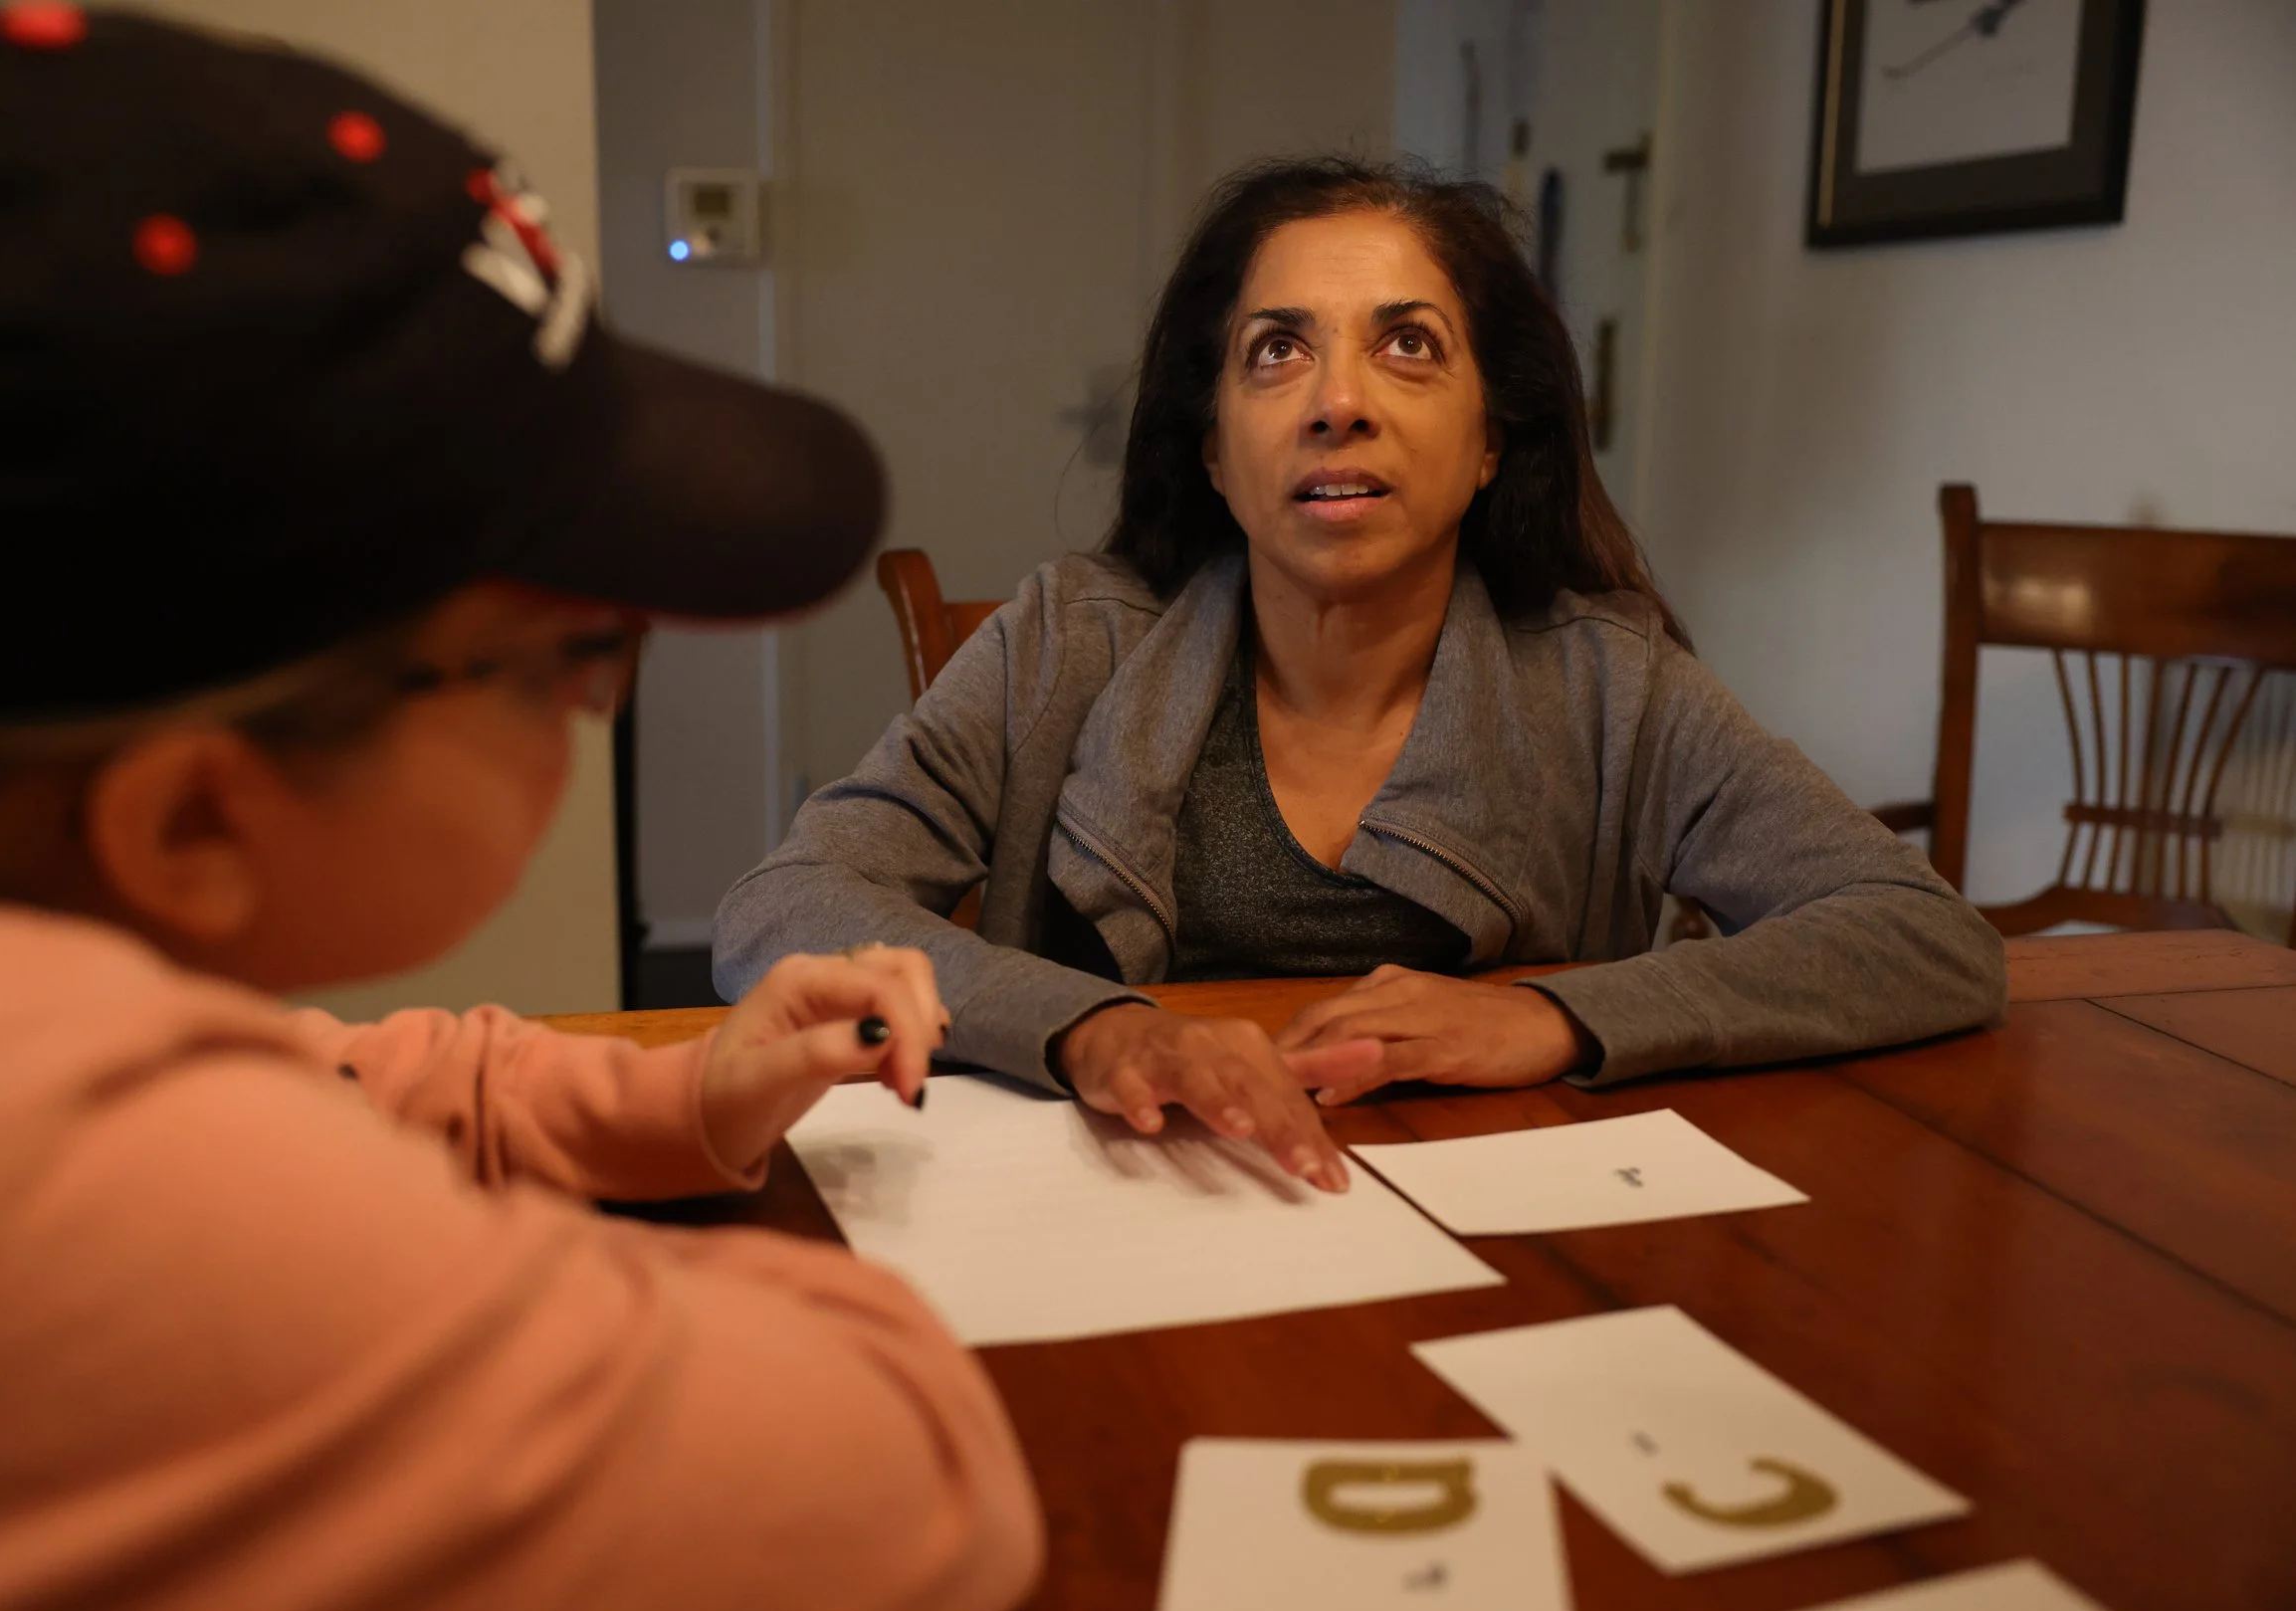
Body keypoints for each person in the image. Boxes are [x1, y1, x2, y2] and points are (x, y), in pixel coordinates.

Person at [0, 10, 1038, 1611]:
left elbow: (318, 1081)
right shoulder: (13, 1193)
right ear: (189, 820)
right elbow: (904, 1492)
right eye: (565, 652)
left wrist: (672, 1094)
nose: (600, 704)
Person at [714, 157, 2006, 1190]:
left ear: (1492, 438)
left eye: (1408, 347)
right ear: (1215, 449)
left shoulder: (1615, 685)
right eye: (1278, 350)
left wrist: (1555, 1016)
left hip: (1512, 1252)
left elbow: (1927, 941)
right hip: (1116, 1222)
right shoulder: (1067, 642)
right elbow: (780, 906)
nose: (1339, 401)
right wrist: (1096, 1026)